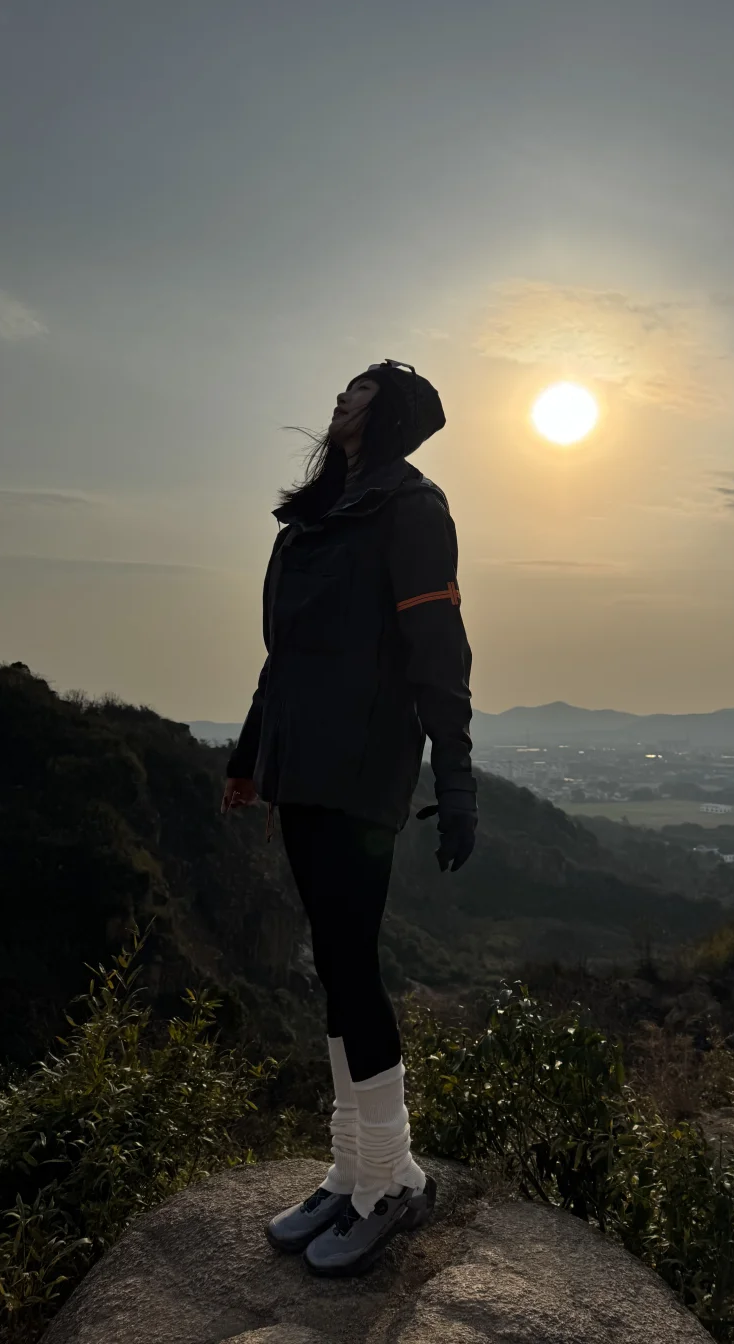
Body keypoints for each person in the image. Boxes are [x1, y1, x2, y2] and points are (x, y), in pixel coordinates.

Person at [220, 359, 476, 1278]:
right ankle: (354, 1168)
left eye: (364, 388)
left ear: (394, 412)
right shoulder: (319, 511)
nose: (344, 396)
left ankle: (395, 1182)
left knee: (355, 966)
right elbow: (281, 655)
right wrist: (251, 755)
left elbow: (437, 646)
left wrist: (458, 774)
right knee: (332, 963)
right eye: (347, 386)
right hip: (302, 760)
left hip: (363, 763)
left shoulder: (412, 506)